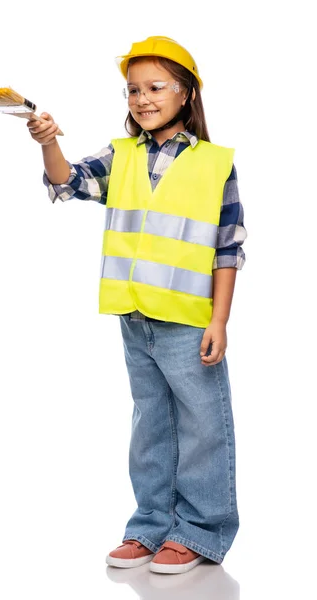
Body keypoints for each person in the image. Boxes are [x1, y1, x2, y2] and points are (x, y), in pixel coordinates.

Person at [27, 36, 247, 575]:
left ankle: (200, 531)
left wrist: (219, 319)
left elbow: (228, 245)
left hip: (188, 320)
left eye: (155, 87)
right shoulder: (121, 155)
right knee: (149, 423)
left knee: (201, 425)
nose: (142, 99)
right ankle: (151, 524)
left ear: (186, 94)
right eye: (132, 89)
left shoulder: (214, 163)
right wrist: (48, 142)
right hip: (134, 315)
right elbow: (67, 182)